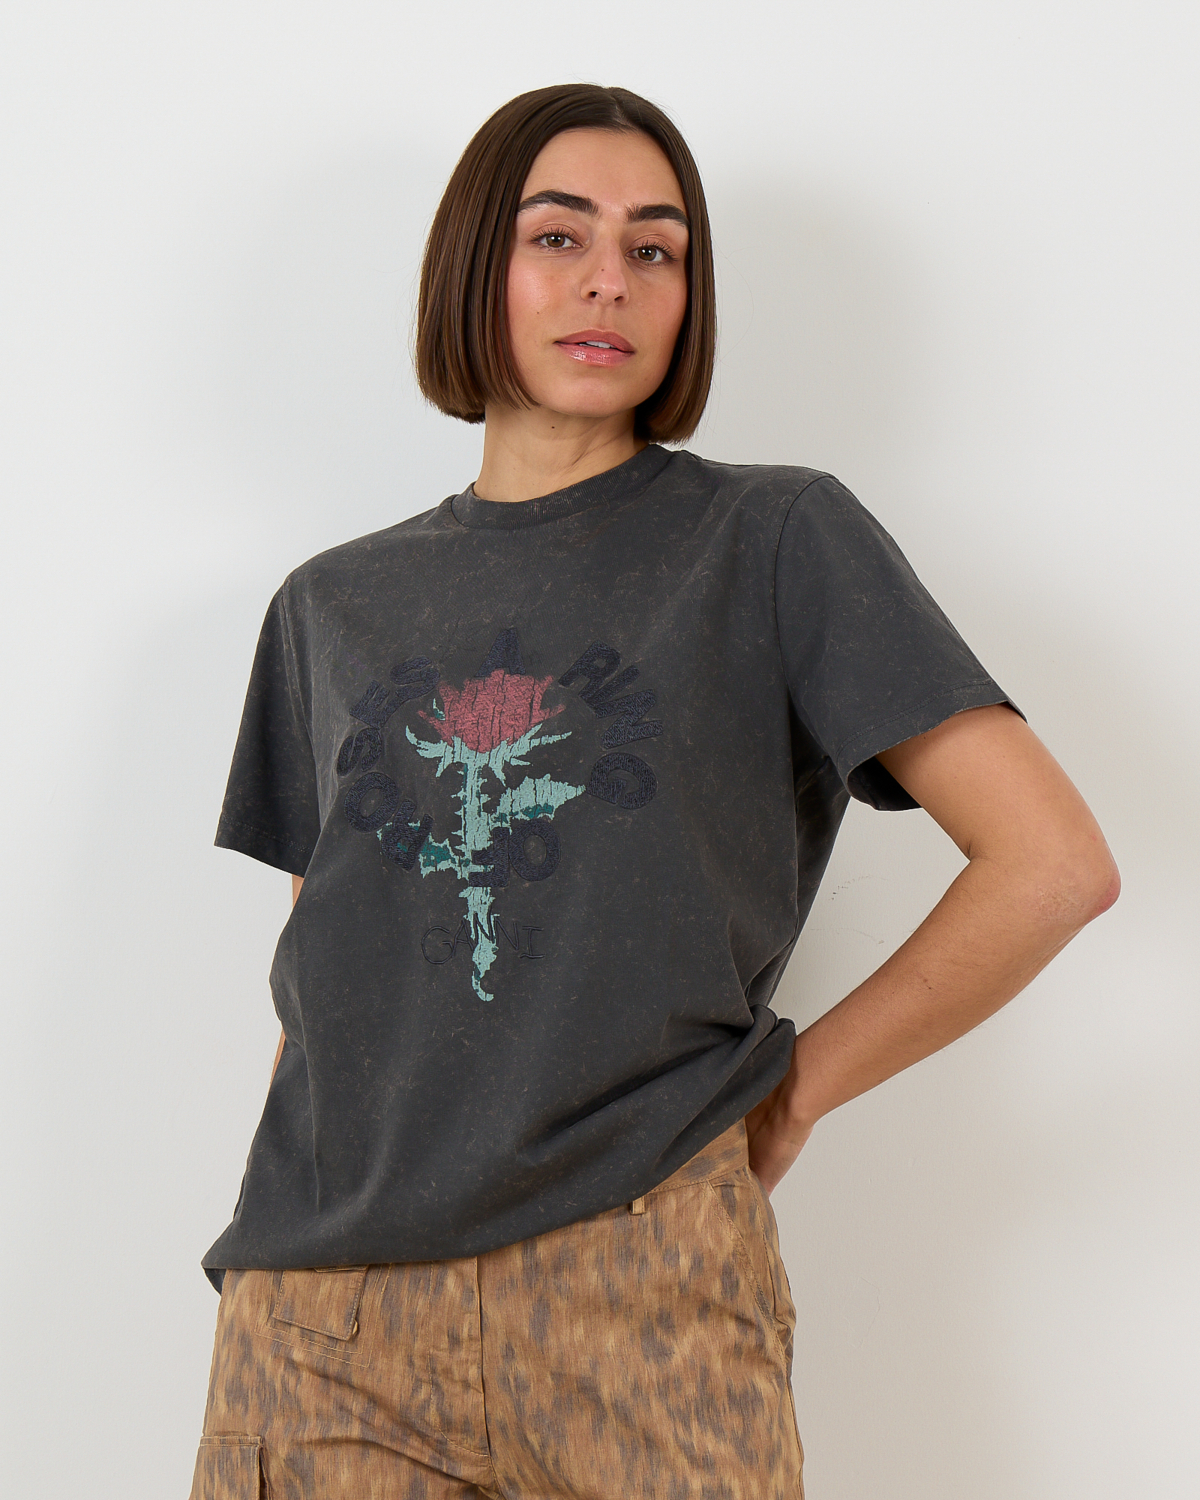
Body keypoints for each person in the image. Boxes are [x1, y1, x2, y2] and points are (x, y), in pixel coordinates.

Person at [188, 83, 1119, 1500]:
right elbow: (322, 980)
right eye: (557, 237)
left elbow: (1051, 864)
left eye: (655, 248)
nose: (608, 281)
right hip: (325, 1322)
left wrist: (795, 1095)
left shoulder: (772, 538)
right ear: (474, 265)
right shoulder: (330, 605)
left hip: (642, 1289)